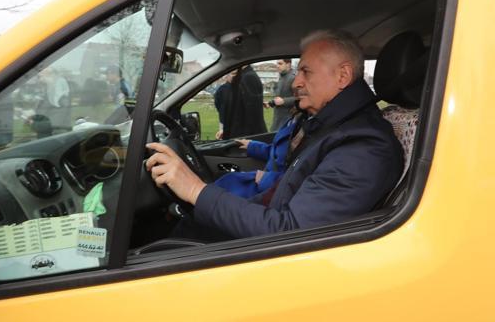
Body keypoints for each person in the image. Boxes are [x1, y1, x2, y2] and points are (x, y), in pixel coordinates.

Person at [146, 29, 403, 241]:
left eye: (306, 71)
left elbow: (291, 234)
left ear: (343, 75)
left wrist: (195, 190)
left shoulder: (364, 146)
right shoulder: (331, 126)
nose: (295, 82)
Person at [214, 116, 297, 198]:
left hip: (271, 191)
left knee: (221, 193)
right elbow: (277, 152)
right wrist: (253, 146)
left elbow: (299, 181)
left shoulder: (306, 132)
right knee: (225, 181)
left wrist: (267, 179)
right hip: (267, 183)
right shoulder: (297, 119)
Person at [222, 65, 267, 139]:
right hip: (241, 135)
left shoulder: (248, 77)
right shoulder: (243, 76)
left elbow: (252, 114)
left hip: (244, 137)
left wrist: (244, 139)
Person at [265, 59, 296, 131]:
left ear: (288, 64)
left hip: (287, 121)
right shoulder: (281, 77)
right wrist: (270, 103)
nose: (277, 66)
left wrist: (284, 101)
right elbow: (280, 97)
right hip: (277, 119)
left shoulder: (294, 78)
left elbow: (300, 98)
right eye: (277, 64)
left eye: (280, 64)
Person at [213, 70, 236, 140]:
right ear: (226, 77)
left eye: (234, 74)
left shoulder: (238, 87)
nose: (233, 76)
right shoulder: (222, 89)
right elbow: (217, 102)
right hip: (225, 119)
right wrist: (222, 111)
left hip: (232, 120)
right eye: (231, 74)